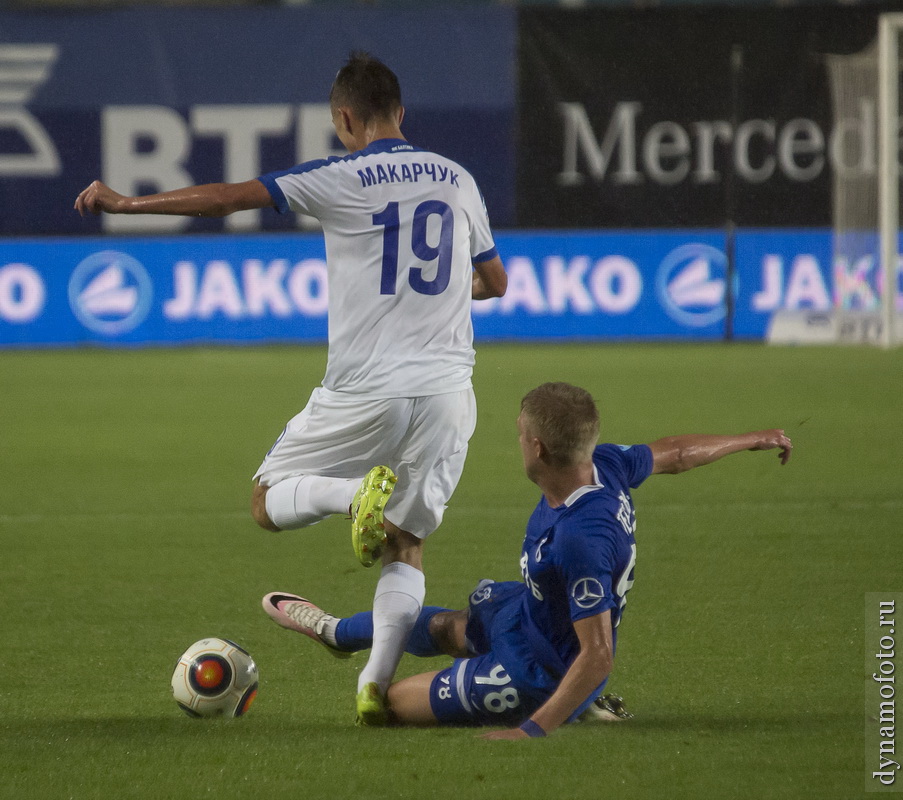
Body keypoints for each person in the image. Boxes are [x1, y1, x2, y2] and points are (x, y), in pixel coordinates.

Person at [74, 52, 508, 725]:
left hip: (368, 388)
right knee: (406, 544)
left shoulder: (341, 175)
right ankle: (374, 684)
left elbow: (226, 197)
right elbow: (494, 282)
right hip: (450, 391)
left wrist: (124, 202)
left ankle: (346, 496)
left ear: (344, 118)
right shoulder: (457, 179)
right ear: (401, 112)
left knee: (266, 498)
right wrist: (446, 291)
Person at [262, 381, 793, 739]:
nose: (515, 440)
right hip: (531, 614)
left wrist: (531, 730)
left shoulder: (580, 539)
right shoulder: (603, 464)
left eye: (519, 433)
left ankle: (571, 704)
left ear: (538, 449)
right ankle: (337, 633)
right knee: (449, 627)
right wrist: (753, 438)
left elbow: (599, 654)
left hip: (540, 667)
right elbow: (674, 452)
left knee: (391, 705)